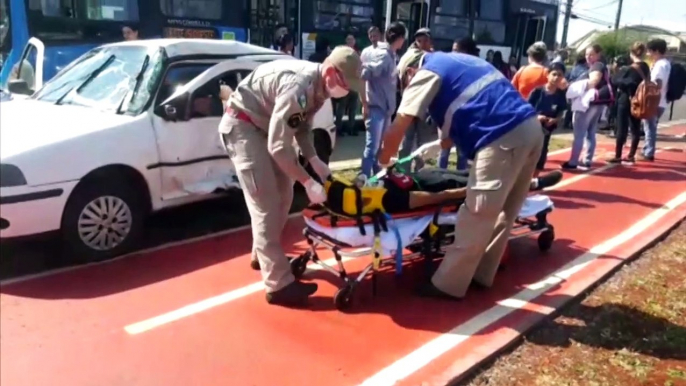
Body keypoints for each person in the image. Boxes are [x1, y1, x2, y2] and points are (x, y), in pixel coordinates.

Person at [379, 49, 544, 300]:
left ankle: (448, 285)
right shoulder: (463, 61)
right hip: (530, 129)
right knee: (505, 210)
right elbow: (475, 106)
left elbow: (400, 122)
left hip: (502, 137)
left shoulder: (427, 71)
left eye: (405, 82)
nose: (407, 86)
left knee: (477, 211)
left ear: (410, 71)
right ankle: (481, 273)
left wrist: (383, 161)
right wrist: (438, 145)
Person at [218, 46, 363, 306]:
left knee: (284, 196)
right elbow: (277, 147)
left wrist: (313, 159)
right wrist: (307, 181)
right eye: (344, 83)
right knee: (266, 204)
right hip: (244, 127)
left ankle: (262, 255)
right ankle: (278, 286)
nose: (345, 91)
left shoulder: (318, 88)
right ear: (330, 71)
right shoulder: (300, 87)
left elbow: (302, 126)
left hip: (263, 127)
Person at [359, 22, 406, 177]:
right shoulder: (384, 55)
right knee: (372, 147)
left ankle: (377, 176)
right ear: (398, 38)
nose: (404, 41)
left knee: (379, 148)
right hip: (376, 107)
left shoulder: (392, 54)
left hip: (385, 109)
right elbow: (366, 72)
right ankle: (364, 178)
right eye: (403, 38)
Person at [562, 44, 614, 170]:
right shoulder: (601, 66)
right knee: (590, 132)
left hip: (588, 104)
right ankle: (587, 160)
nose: (588, 57)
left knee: (579, 133)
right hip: (597, 103)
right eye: (586, 54)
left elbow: (594, 81)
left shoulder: (597, 66)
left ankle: (573, 161)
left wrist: (575, 87)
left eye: (591, 54)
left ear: (598, 55)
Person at [398, 28, 436, 172]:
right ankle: (403, 172)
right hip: (409, 104)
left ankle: (419, 172)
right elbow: (401, 74)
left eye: (425, 40)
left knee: (423, 143)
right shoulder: (410, 56)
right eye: (420, 40)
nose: (422, 43)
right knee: (406, 142)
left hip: (425, 106)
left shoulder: (433, 57)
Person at [438, 37, 480, 172]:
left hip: (464, 117)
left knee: (462, 153)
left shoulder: (475, 68)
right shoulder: (449, 66)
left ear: (466, 51)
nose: (452, 53)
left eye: (456, 50)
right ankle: (439, 177)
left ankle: (460, 182)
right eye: (452, 50)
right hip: (447, 115)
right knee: (444, 150)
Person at [608, 43, 651, 164]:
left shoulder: (629, 69)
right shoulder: (645, 67)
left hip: (626, 98)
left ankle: (618, 155)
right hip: (640, 99)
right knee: (635, 127)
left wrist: (616, 72)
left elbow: (615, 80)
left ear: (631, 53)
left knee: (622, 127)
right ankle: (631, 154)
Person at [528, 62, 568, 173]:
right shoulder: (537, 92)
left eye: (559, 75)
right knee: (529, 153)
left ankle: (535, 178)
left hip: (546, 130)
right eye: (554, 74)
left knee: (542, 153)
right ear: (547, 74)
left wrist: (555, 119)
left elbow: (562, 111)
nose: (556, 77)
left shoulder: (560, 94)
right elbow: (526, 109)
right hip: (532, 128)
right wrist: (537, 116)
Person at [642, 38, 671, 161]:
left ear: (657, 51)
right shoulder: (666, 63)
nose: (648, 54)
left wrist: (649, 92)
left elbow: (658, 83)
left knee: (649, 127)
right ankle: (647, 150)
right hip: (662, 101)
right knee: (651, 126)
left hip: (655, 101)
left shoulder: (660, 65)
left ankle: (649, 152)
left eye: (650, 51)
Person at [334, 34, 361, 136]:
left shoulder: (357, 53)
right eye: (348, 39)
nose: (350, 41)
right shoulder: (343, 53)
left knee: (353, 108)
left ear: (354, 41)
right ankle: (339, 129)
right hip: (344, 85)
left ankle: (351, 128)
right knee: (341, 107)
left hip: (353, 85)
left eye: (351, 39)